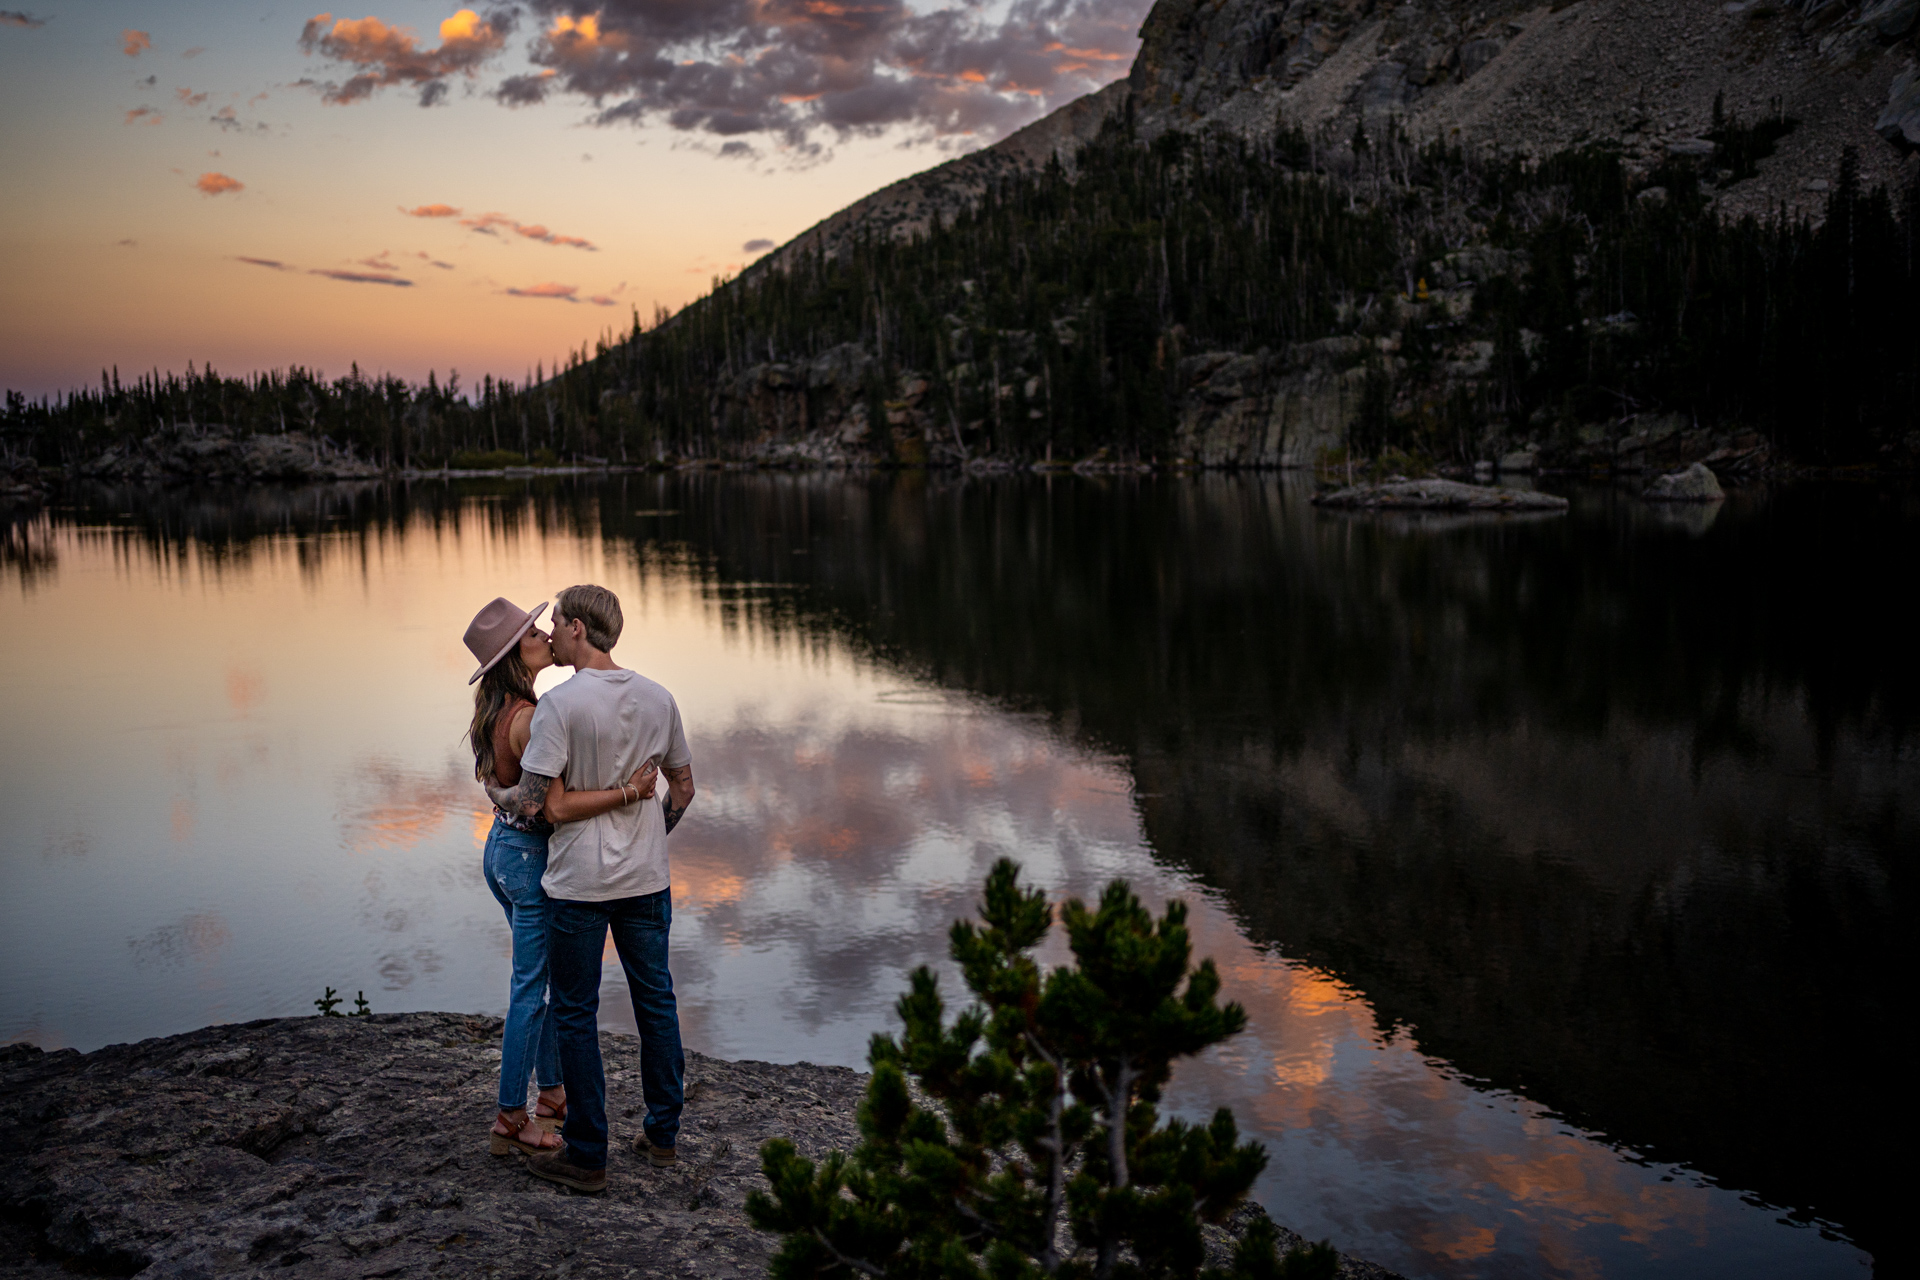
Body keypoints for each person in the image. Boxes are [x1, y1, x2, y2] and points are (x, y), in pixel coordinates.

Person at [484, 583, 695, 1194]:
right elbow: (682, 787)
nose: (552, 634)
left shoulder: (560, 707)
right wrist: (653, 831)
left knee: (575, 1011)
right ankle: (662, 1137)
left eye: (557, 625)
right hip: (646, 879)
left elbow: (539, 803)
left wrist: (497, 797)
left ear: (577, 628)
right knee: (655, 1000)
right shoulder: (660, 698)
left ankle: (587, 1155)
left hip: (580, 884)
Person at [462, 596, 658, 1162]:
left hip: (501, 851)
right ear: (513, 655)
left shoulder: (504, 707)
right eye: (530, 632)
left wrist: (501, 798)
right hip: (528, 860)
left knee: (542, 982)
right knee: (531, 987)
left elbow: (511, 796)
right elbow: (546, 803)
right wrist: (629, 791)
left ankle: (551, 1093)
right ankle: (509, 1117)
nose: (544, 634)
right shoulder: (529, 716)